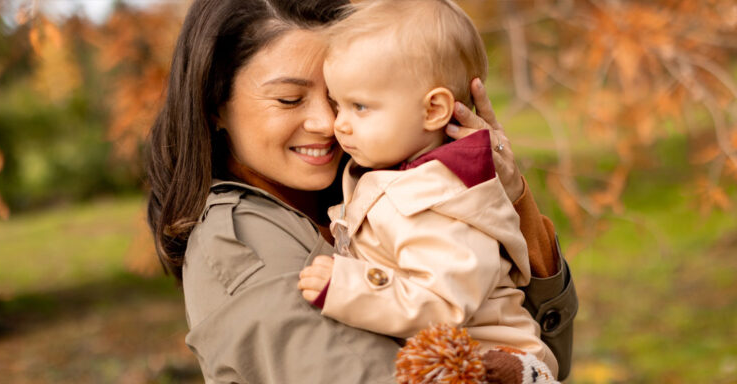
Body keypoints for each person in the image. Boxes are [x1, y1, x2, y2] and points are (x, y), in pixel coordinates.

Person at [145, 0, 577, 382]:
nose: (329, 123)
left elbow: (541, 354)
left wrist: (509, 192)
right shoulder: (242, 243)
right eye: (290, 100)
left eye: (343, 100)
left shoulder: (374, 187)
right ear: (215, 105)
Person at [295, 0, 557, 376]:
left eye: (361, 107)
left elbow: (446, 304)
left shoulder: (441, 200)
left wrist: (347, 286)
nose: (339, 125)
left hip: (495, 363)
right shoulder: (400, 175)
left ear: (433, 110)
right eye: (339, 105)